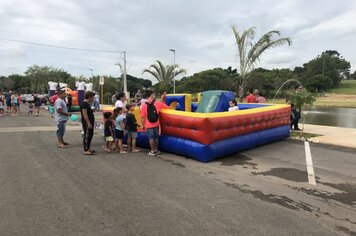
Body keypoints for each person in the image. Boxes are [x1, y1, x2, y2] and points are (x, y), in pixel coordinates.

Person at [140, 90, 169, 156]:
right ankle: (156, 150)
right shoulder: (158, 103)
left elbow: (142, 117)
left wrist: (143, 125)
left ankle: (152, 151)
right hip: (156, 124)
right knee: (156, 137)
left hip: (148, 125)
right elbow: (168, 108)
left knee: (151, 138)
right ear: (152, 95)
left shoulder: (144, 105)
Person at [80, 91, 96, 155]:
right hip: (87, 122)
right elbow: (85, 114)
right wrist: (88, 123)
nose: (93, 99)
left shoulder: (87, 104)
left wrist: (92, 111)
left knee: (90, 135)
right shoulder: (84, 104)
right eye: (92, 97)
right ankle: (86, 149)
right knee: (87, 135)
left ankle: (88, 148)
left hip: (90, 121)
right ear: (89, 97)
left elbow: (88, 113)